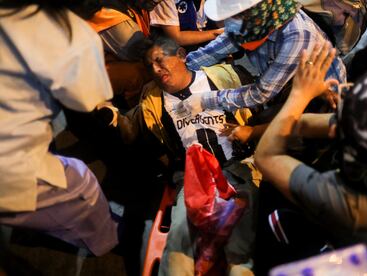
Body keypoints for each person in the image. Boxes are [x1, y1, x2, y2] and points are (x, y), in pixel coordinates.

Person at [101, 35, 260, 275]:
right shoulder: (152, 98)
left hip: (236, 167)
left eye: (159, 60)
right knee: (178, 246)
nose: (155, 69)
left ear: (182, 56)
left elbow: (260, 100)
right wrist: (109, 114)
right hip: (192, 178)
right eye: (150, 65)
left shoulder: (221, 77)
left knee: (240, 252)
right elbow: (130, 129)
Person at [254, 42, 367, 275]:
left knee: (275, 216)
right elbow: (308, 124)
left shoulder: (352, 199)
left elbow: (266, 157)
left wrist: (299, 94)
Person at [0, 0, 119, 256]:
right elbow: (86, 100)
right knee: (80, 185)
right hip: (10, 165)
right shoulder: (73, 34)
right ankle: (106, 240)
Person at [174, 0, 346, 118]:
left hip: (323, 97)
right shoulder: (250, 25)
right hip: (284, 86)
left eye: (236, 16)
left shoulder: (296, 36)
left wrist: (205, 100)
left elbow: (261, 92)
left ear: (256, 11)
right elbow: (214, 51)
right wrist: (178, 68)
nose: (229, 23)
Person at [149, 0, 223, 49]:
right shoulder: (167, 1)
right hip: (175, 53)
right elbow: (176, 38)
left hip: (200, 47)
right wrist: (217, 33)